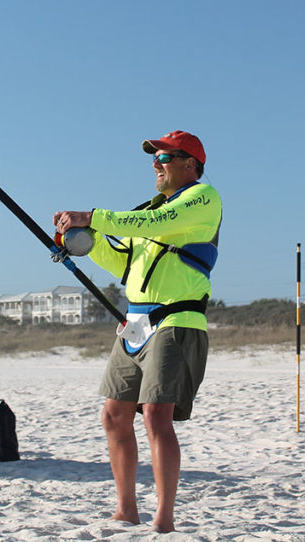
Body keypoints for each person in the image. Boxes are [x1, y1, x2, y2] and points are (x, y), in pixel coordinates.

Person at [53, 130, 221, 533]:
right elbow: (123, 264)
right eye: (155, 157)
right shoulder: (150, 210)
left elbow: (153, 223)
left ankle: (164, 519)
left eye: (165, 157)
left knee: (157, 418)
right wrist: (80, 242)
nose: (156, 164)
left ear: (189, 164)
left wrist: (91, 216)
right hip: (134, 324)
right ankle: (126, 509)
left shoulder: (202, 198)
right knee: (113, 416)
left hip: (177, 322)